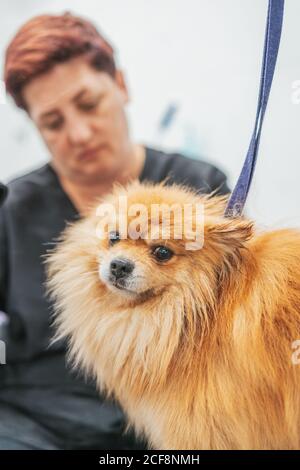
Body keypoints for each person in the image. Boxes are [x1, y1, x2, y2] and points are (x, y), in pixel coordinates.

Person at [0, 13, 230, 450]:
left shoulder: (198, 188)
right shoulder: (12, 207)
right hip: (31, 422)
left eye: (89, 104)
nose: (80, 133)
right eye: (53, 122)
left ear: (120, 85)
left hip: (166, 419)